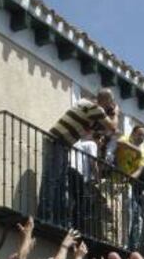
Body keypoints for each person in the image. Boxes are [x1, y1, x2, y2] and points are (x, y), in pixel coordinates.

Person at [39, 89, 119, 226]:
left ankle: (55, 217)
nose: (109, 106)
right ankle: (45, 215)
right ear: (106, 101)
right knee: (53, 179)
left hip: (62, 143)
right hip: (59, 141)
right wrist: (116, 113)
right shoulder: (96, 109)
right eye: (110, 103)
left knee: (59, 181)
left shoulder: (84, 103)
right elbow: (112, 128)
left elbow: (94, 128)